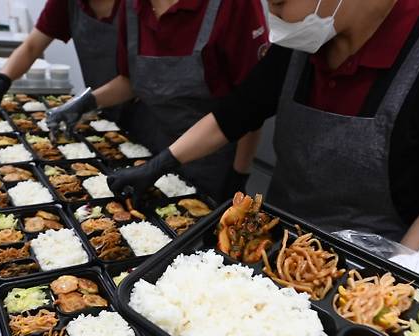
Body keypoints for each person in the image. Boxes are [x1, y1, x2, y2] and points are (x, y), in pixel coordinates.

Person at [107, 0, 419, 250]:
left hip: (369, 265)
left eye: (279, 3)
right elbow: (236, 113)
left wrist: (392, 284)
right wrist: (160, 164)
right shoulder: (308, 34)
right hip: (276, 240)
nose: (273, 18)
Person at [46, 0, 268, 202]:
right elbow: (132, 81)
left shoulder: (234, 6)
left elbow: (250, 104)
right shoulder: (131, 6)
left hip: (214, 161)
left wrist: (239, 175)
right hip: (152, 149)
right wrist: (86, 102)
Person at [0, 0, 122, 115]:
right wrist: (1, 79)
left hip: (140, 106)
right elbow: (32, 47)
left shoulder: (136, 7)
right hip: (100, 102)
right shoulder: (67, 3)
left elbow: (136, 76)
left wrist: (87, 102)